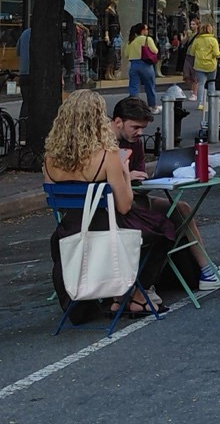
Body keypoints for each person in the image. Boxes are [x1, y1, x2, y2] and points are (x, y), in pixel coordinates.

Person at [43, 90, 176, 317]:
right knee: (164, 229)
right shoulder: (106, 155)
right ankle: (134, 294)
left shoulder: (49, 158)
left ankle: (121, 296)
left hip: (70, 230)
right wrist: (124, 170)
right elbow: (125, 205)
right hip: (107, 227)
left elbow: (58, 204)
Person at [109, 96, 220, 290]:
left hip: (135, 196)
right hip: (117, 204)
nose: (140, 133)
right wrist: (126, 176)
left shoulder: (134, 142)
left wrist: (147, 178)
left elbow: (139, 177)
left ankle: (207, 271)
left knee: (182, 209)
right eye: (135, 127)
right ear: (118, 122)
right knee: (165, 219)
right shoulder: (105, 146)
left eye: (143, 128)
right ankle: (149, 282)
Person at [123, 22, 161, 112]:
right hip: (145, 65)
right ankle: (152, 106)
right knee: (150, 86)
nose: (148, 31)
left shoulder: (131, 41)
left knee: (134, 87)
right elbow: (155, 51)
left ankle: (133, 107)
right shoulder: (147, 39)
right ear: (142, 30)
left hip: (134, 65)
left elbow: (126, 54)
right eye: (146, 29)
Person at [187, 22, 220, 110]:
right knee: (211, 83)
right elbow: (216, 54)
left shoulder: (197, 40)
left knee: (201, 84)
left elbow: (192, 53)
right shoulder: (213, 40)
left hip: (199, 65)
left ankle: (200, 103)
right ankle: (211, 103)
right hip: (211, 65)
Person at [178, 17, 201, 99]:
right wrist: (184, 36)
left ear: (197, 25)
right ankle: (193, 89)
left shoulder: (199, 35)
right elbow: (183, 42)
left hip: (196, 56)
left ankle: (194, 93)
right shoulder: (189, 33)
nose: (192, 26)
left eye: (193, 24)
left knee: (195, 75)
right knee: (186, 75)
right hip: (188, 55)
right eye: (191, 24)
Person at [16, 26, 30, 125]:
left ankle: (22, 129)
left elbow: (18, 51)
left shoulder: (25, 33)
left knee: (26, 102)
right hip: (36, 73)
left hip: (23, 73)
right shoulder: (44, 34)